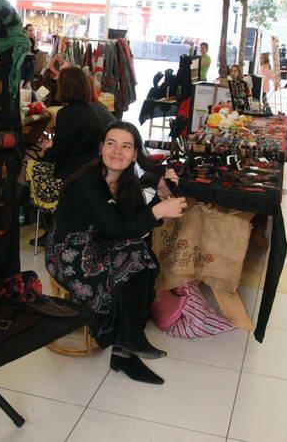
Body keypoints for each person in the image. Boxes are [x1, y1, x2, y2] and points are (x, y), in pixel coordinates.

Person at [46, 121, 187, 385]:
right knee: (136, 258)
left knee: (141, 255)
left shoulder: (125, 183)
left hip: (99, 242)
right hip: (69, 253)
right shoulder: (87, 182)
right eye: (111, 144)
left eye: (126, 146)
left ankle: (127, 346)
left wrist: (159, 197)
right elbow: (118, 229)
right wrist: (158, 210)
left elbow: (134, 227)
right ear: (100, 148)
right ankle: (127, 346)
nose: (117, 151)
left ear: (135, 154)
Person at [40, 66, 114, 180]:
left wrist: (47, 149)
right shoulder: (96, 109)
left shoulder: (67, 114)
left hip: (74, 176)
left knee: (27, 169)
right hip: (95, 170)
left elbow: (57, 155)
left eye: (59, 84)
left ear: (65, 88)